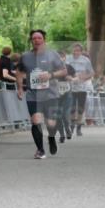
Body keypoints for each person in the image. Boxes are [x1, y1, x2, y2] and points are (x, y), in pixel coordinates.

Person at [15, 29, 67, 159]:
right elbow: (19, 72)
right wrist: (20, 88)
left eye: (39, 38)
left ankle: (51, 138)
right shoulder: (25, 56)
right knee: (35, 121)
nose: (37, 40)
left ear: (44, 40)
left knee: (51, 124)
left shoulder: (52, 54)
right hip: (33, 95)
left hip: (50, 95)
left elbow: (63, 71)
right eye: (34, 38)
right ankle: (40, 150)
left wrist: (51, 75)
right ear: (31, 41)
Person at [66, 42, 94, 136]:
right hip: (71, 87)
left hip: (82, 87)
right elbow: (64, 71)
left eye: (78, 50)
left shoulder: (86, 60)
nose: (76, 52)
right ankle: (71, 126)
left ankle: (79, 128)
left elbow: (91, 73)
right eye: (74, 50)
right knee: (72, 108)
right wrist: (68, 77)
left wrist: (83, 77)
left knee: (80, 109)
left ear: (81, 52)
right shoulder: (68, 59)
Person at [55, 50, 75, 143]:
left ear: (64, 58)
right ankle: (62, 134)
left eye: (61, 57)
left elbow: (76, 77)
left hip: (67, 93)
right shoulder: (52, 68)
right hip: (56, 94)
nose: (60, 59)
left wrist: (71, 78)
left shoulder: (69, 67)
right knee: (58, 115)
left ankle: (67, 129)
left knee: (64, 114)